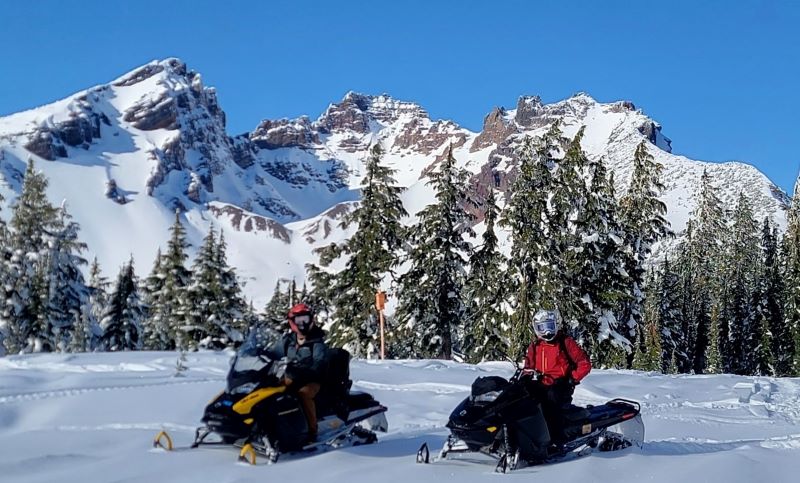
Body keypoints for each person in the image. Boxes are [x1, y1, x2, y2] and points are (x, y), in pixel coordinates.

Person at [522, 308, 591, 446]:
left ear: (556, 325)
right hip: (542, 382)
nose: (547, 332)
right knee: (524, 399)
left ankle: (556, 439)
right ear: (536, 329)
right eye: (542, 328)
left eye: (550, 327)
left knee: (551, 403)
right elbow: (528, 366)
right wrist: (525, 377)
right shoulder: (535, 346)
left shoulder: (565, 342)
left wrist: (572, 378)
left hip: (561, 384)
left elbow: (585, 363)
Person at [268, 303, 328, 443]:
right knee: (269, 390)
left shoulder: (316, 341)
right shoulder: (289, 340)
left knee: (304, 394)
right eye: (299, 320)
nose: (303, 324)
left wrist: (305, 372)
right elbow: (273, 354)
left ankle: (312, 432)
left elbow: (320, 362)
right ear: (292, 322)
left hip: (313, 380)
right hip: (292, 376)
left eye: (305, 320)